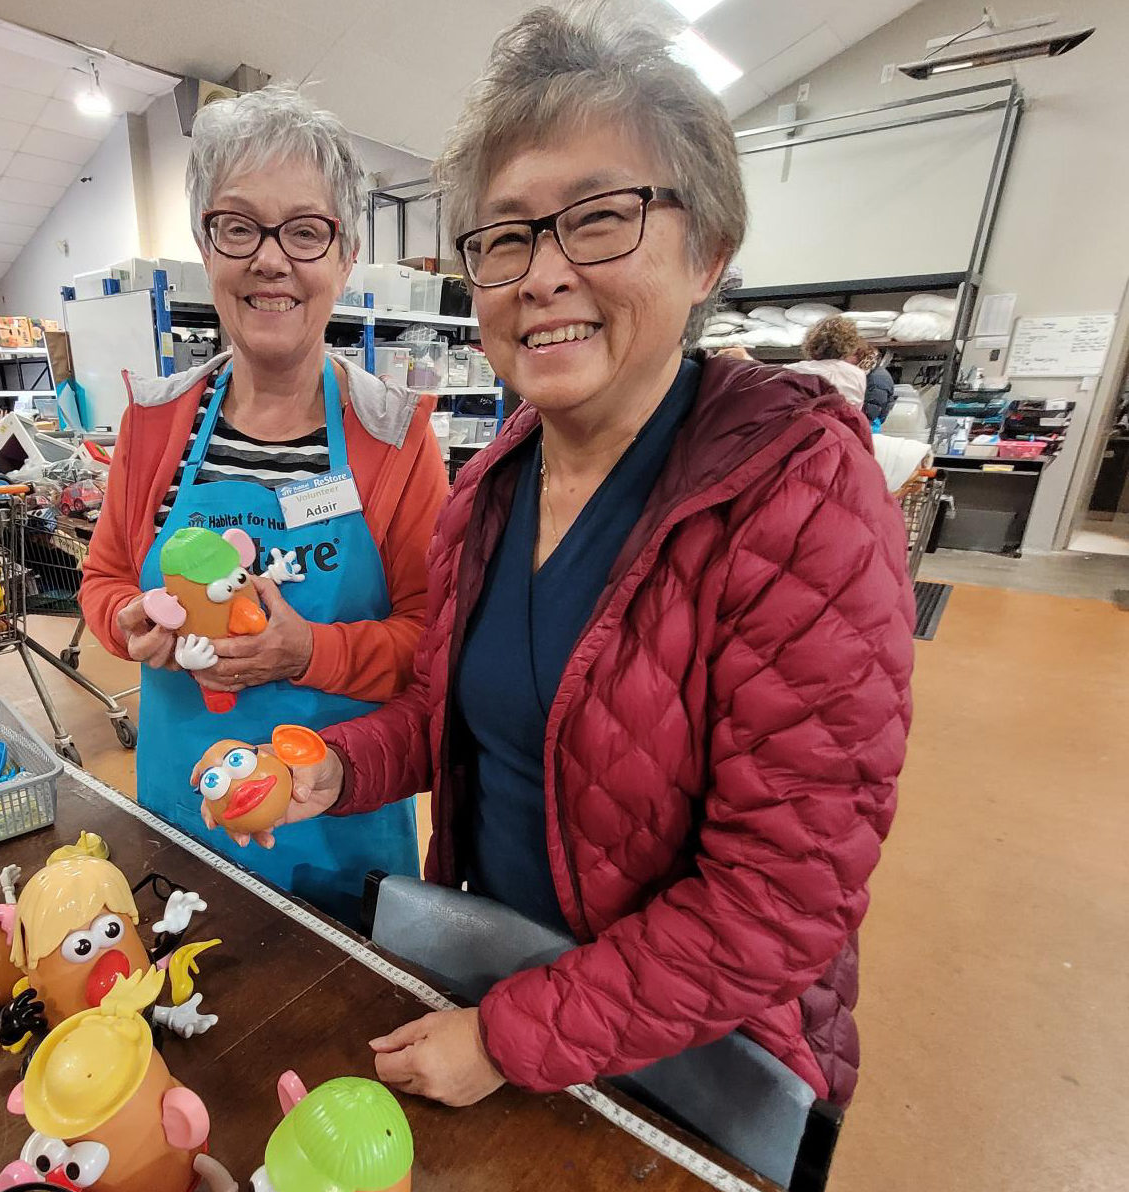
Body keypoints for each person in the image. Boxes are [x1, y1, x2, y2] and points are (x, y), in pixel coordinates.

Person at [259, 6, 914, 1109]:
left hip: (700, 1061)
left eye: (599, 219)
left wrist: (511, 1039)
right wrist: (335, 769)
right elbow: (451, 715)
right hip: (500, 986)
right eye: (506, 237)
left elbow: (781, 899)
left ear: (707, 249)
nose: (542, 276)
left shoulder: (802, 497)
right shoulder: (490, 487)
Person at [80, 86, 448, 926]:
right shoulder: (155, 422)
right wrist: (129, 621)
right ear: (207, 249)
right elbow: (102, 578)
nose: (270, 261)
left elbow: (433, 647)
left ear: (344, 254)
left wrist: (305, 652)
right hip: (186, 816)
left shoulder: (394, 439)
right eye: (239, 227)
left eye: (306, 231)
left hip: (339, 830)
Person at [785, 314, 872, 410]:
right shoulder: (857, 374)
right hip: (843, 423)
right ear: (851, 344)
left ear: (811, 343)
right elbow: (856, 409)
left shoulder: (792, 370)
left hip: (803, 422)